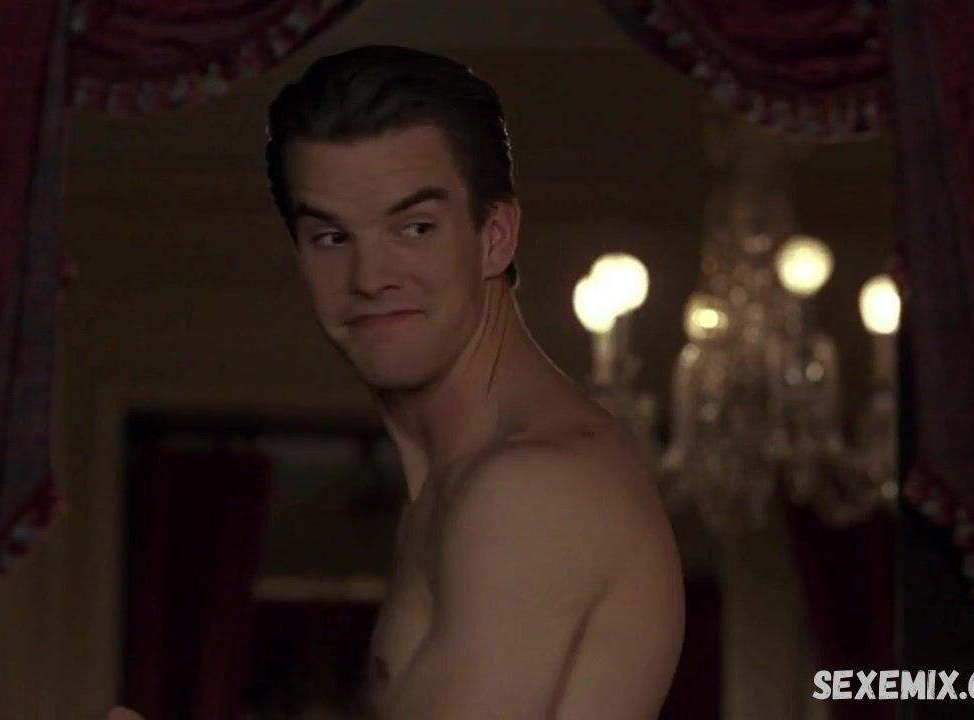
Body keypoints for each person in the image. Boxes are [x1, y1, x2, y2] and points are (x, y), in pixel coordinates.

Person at [112, 44, 684, 720]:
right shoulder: (461, 483)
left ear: (496, 236)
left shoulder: (531, 489)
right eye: (332, 238)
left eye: (414, 228)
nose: (370, 278)